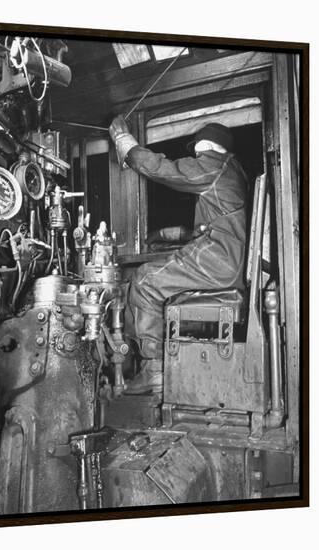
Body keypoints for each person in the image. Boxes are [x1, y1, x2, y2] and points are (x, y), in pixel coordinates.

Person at [109, 116, 248, 395]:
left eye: (199, 147)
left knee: (145, 280)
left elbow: (165, 169)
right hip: (225, 258)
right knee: (154, 278)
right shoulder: (232, 173)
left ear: (209, 146)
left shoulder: (215, 166)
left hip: (218, 259)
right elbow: (204, 227)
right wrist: (161, 235)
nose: (196, 153)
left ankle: (154, 370)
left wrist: (124, 142)